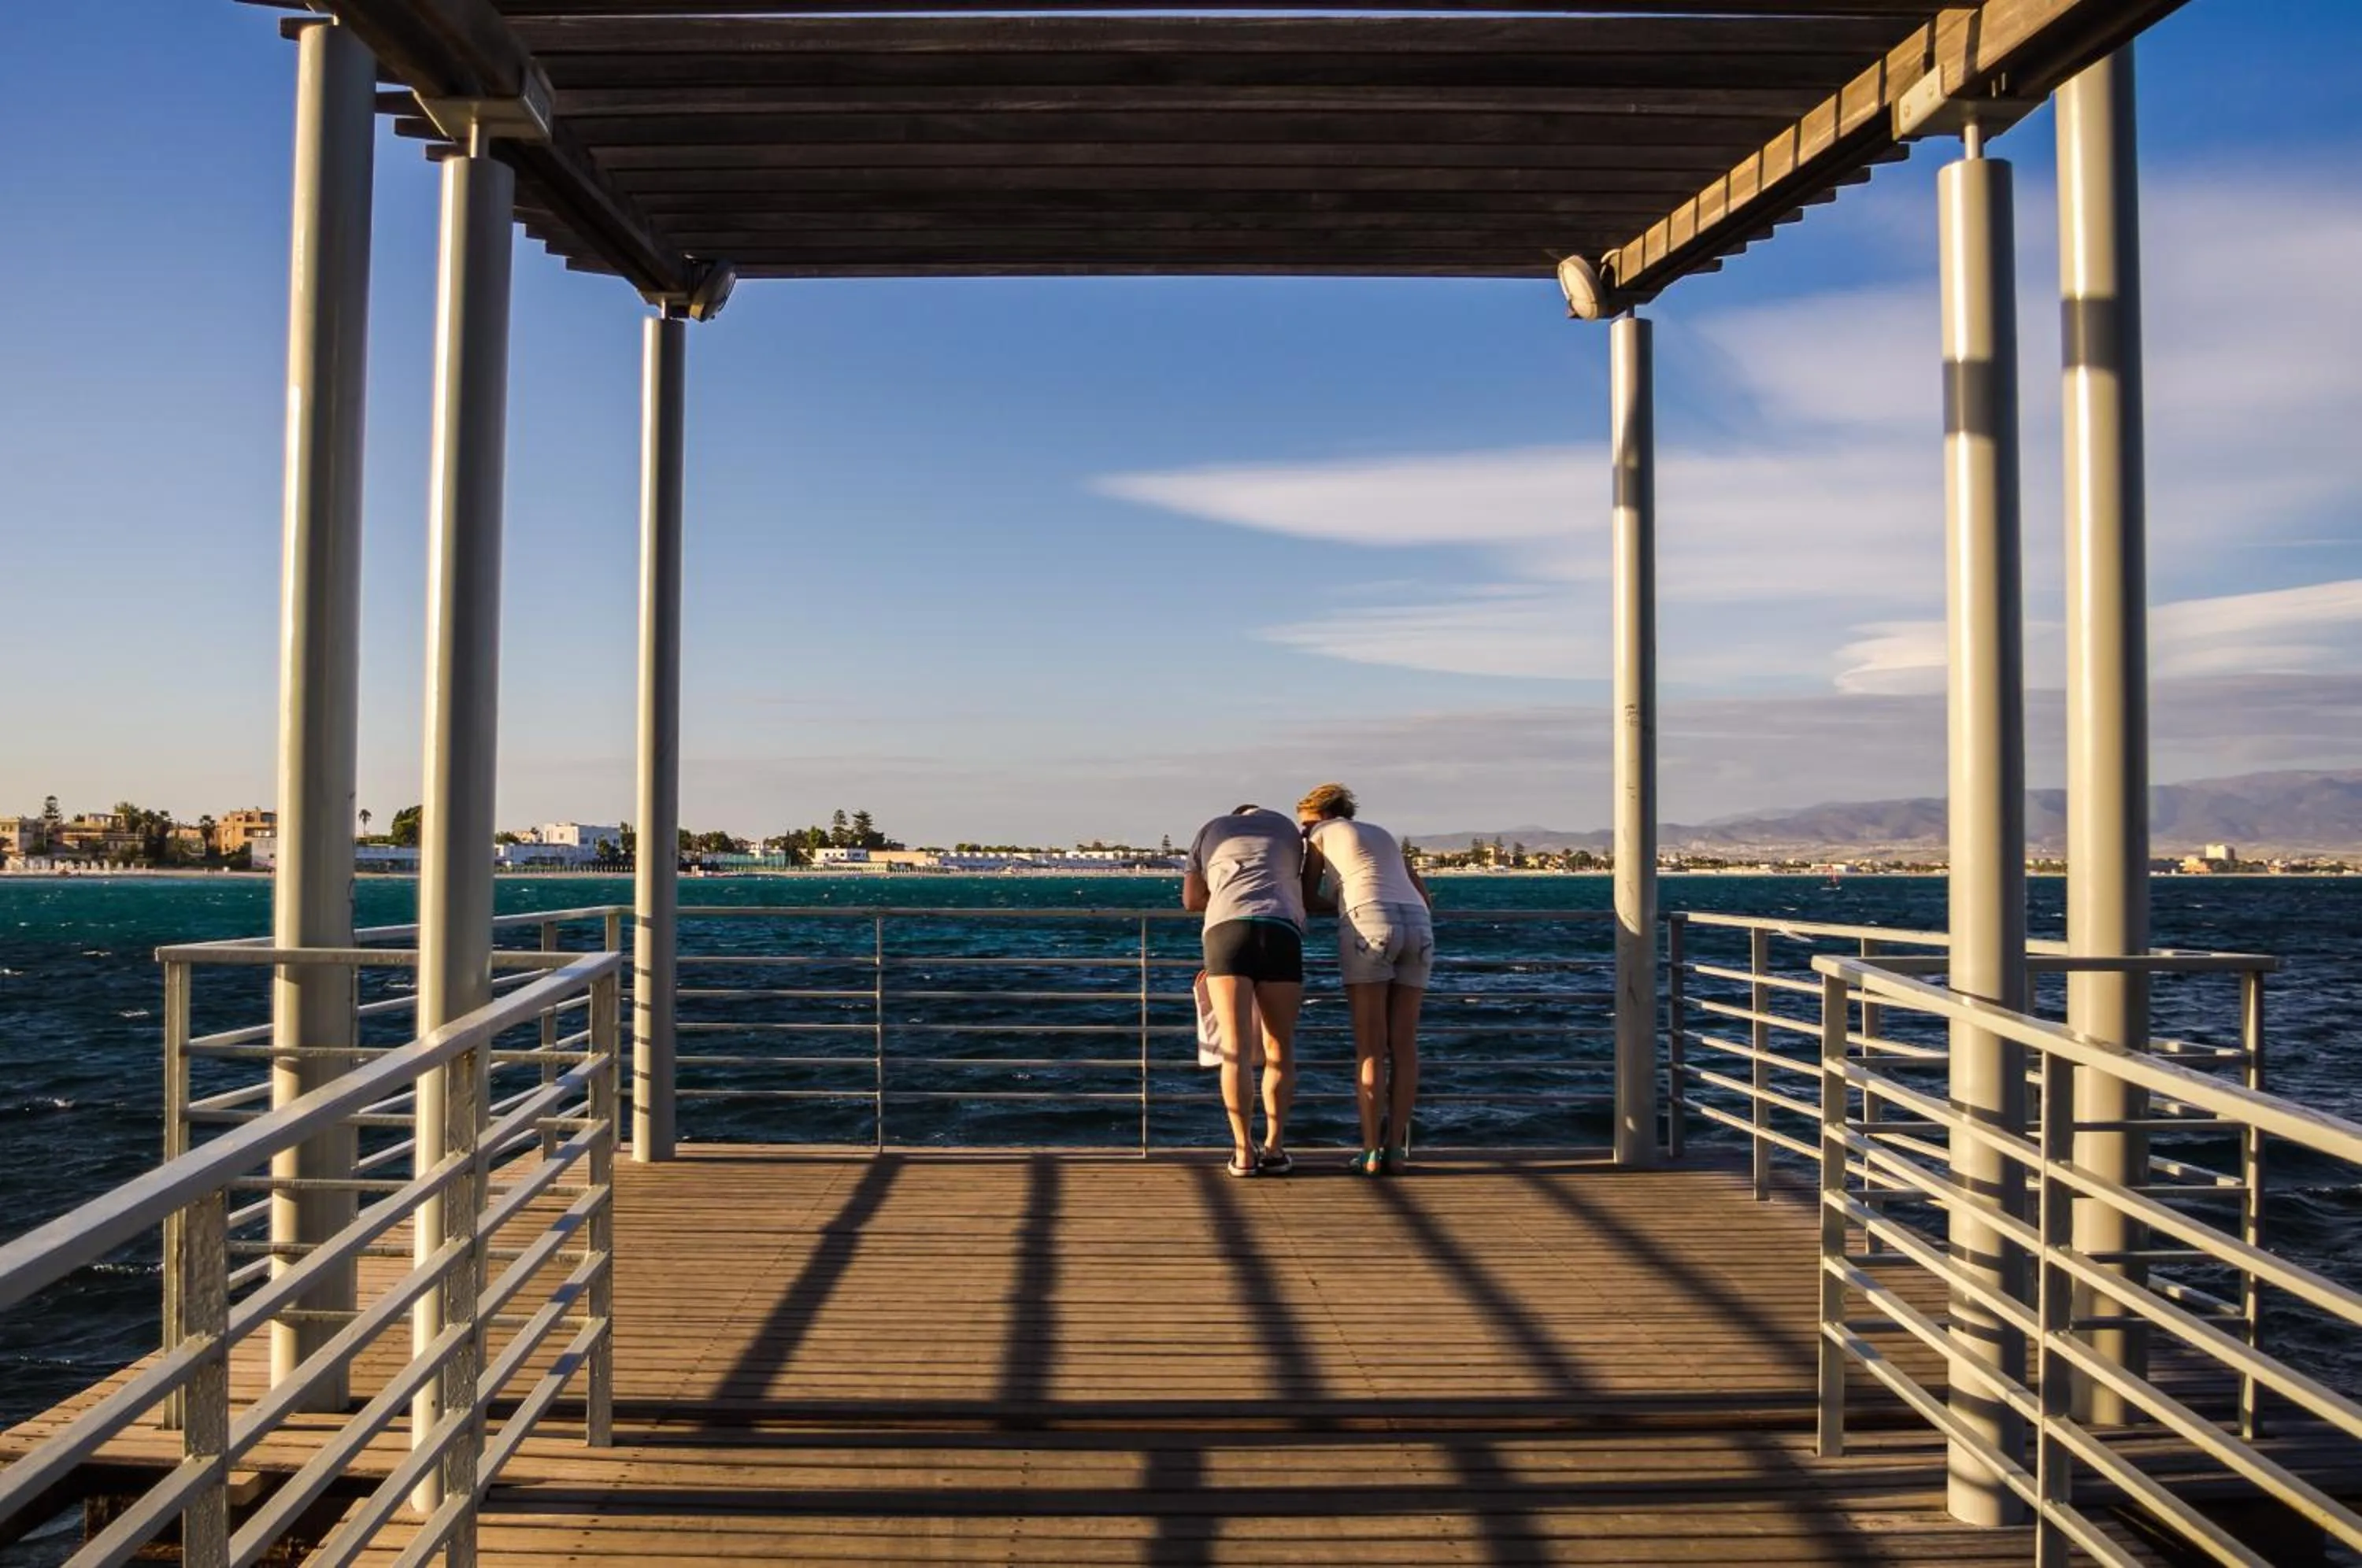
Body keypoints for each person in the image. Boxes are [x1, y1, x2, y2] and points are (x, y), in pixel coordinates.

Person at [1298, 783, 1432, 1175]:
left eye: (1305, 825)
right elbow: (1424, 896)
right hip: (1417, 926)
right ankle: (1395, 1150)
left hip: (1369, 920)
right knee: (1404, 1044)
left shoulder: (1321, 836)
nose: (1303, 833)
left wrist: (1338, 904)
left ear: (1319, 816)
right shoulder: (1384, 835)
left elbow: (1308, 896)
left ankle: (1371, 1150)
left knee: (1371, 1046)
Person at [1183, 804, 1305, 1176]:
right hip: (1280, 930)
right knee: (1279, 1046)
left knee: (1234, 1051)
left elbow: (1191, 900)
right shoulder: (1288, 830)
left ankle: (1243, 1153)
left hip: (1226, 932)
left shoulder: (1209, 828)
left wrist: (1224, 895)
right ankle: (1274, 1147)